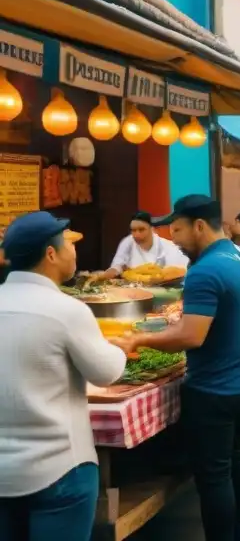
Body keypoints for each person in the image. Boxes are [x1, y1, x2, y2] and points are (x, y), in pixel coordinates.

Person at [111, 195, 240, 541]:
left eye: (177, 229)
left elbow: (191, 335)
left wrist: (138, 341)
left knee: (214, 478)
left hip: (213, 390)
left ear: (200, 226)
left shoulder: (205, 270)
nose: (173, 238)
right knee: (236, 461)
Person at [0, 213, 127, 539]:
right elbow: (106, 373)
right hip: (60, 470)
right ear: (51, 254)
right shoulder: (67, 311)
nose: (75, 251)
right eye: (69, 243)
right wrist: (118, 347)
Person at [98, 210, 189, 279]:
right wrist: (103, 275)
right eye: (133, 230)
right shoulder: (128, 242)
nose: (136, 234)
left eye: (141, 230)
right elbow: (117, 265)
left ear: (152, 229)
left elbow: (178, 273)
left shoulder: (168, 247)